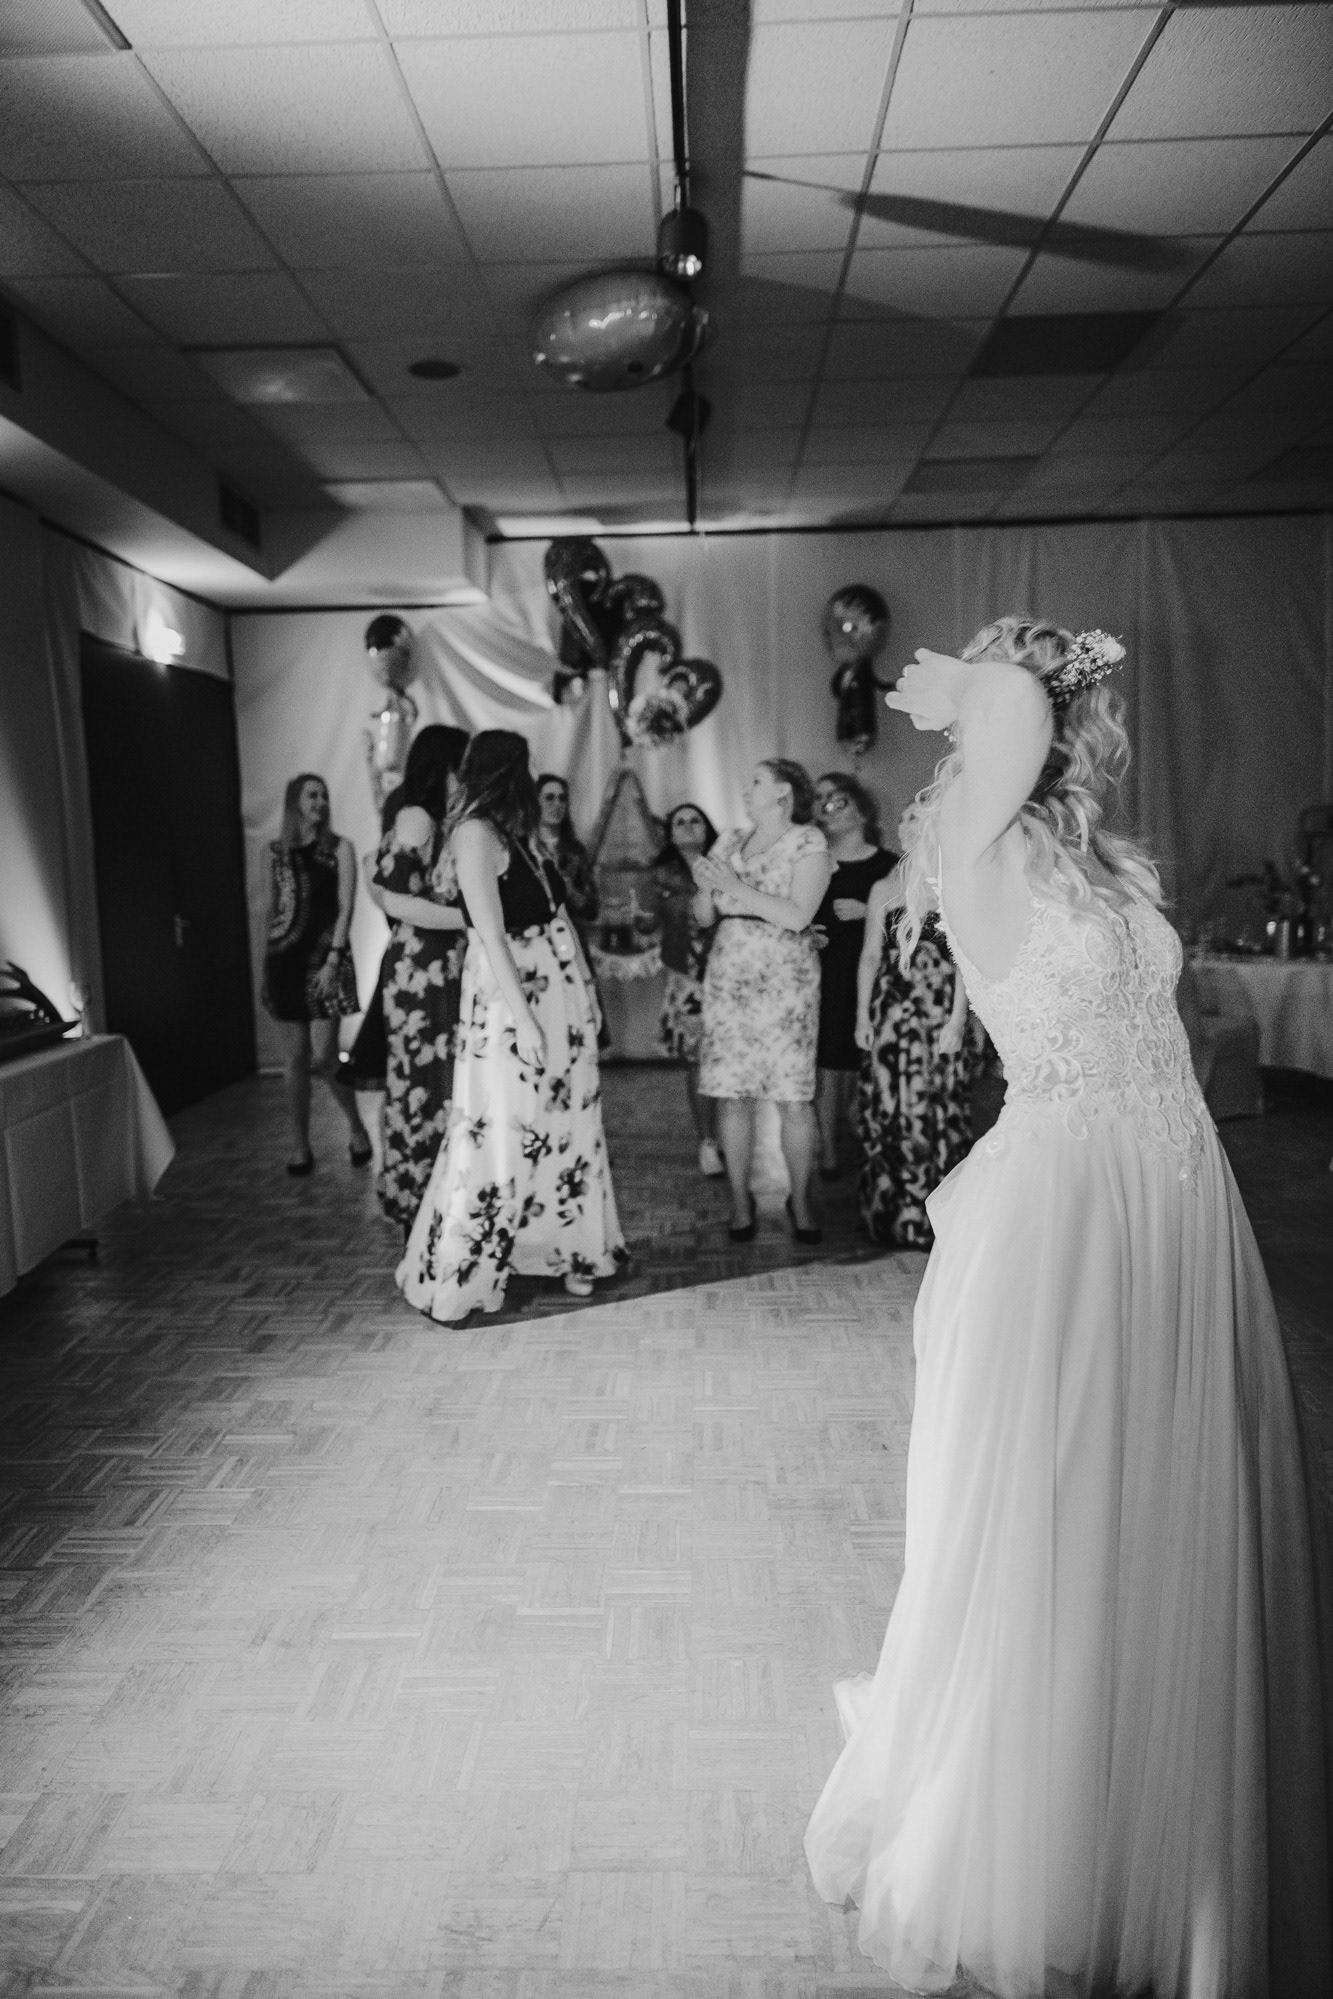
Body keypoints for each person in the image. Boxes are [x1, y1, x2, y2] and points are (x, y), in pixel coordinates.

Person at [805, 619, 1333, 1996]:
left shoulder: (1095, 854)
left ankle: (1174, 1822)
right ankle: (1054, 1842)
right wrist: (980, 683)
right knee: (1071, 1509)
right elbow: (1010, 719)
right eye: (1029, 696)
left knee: (1169, 1506)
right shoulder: (961, 836)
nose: (1048, 715)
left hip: (1177, 1201)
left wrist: (1007, 685)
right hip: (1070, 1211)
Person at [397, 731, 626, 1321]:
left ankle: (569, 1251)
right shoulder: (474, 834)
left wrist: (586, 995)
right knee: (498, 1129)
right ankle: (464, 1272)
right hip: (510, 999)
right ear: (508, 771)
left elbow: (555, 912)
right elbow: (488, 932)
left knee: (565, 1125)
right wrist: (524, 1020)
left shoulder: (515, 832)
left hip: (557, 993)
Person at [693, 759, 832, 1243]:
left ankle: (801, 1200)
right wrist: (704, 890)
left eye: (756, 780)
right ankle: (739, 1200)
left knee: (793, 1098)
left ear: (783, 792)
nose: (745, 787)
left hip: (785, 977)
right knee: (732, 1093)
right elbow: (705, 916)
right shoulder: (729, 840)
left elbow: (798, 916)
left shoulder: (808, 841)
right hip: (729, 973)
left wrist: (734, 886)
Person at [854, 803, 972, 1247]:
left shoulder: (955, 881)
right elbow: (870, 954)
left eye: (918, 818)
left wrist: (958, 1019)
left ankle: (934, 1218)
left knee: (938, 1105)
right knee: (888, 1105)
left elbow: (965, 960)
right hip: (891, 1010)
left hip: (937, 1009)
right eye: (904, 818)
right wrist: (862, 1014)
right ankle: (892, 1213)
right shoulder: (883, 887)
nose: (907, 825)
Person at [372, 726, 470, 1231]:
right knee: (424, 1085)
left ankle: (449, 1202)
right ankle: (419, 1203)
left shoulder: (448, 820)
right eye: (461, 762)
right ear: (441, 766)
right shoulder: (416, 817)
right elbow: (396, 899)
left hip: (447, 963)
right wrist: (472, 920)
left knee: (450, 1084)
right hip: (420, 969)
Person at [262, 772, 372, 1176]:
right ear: (295, 801)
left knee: (325, 1056)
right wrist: (264, 969)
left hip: (328, 960)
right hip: (284, 961)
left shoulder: (340, 848)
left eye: (324, 795)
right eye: (312, 795)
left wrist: (334, 959)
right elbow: (270, 912)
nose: (320, 802)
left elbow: (346, 908)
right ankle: (300, 1146)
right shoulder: (273, 853)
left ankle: (356, 1128)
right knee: (294, 1058)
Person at [811, 772, 897, 1180]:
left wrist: (870, 913)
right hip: (824, 974)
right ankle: (828, 1148)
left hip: (872, 977)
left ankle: (868, 1137)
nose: (827, 808)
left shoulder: (889, 866)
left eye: (838, 800)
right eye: (821, 802)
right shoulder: (814, 864)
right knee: (828, 1062)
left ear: (862, 811)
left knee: (865, 1059)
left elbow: (917, 922)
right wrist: (805, 934)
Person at [651, 802, 724, 1177]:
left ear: (707, 827)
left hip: (728, 973)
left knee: (729, 1057)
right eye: (679, 821)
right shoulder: (661, 875)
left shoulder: (726, 865)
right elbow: (647, 920)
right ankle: (707, 1141)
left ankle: (730, 1135)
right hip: (688, 978)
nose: (688, 826)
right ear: (670, 833)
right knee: (697, 1060)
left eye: (695, 820)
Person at [535, 773, 599, 942]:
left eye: (562, 798)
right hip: (535, 938)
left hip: (570, 938)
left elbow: (592, 910)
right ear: (535, 802)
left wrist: (569, 890)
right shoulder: (524, 848)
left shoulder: (575, 851)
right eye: (549, 798)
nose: (557, 804)